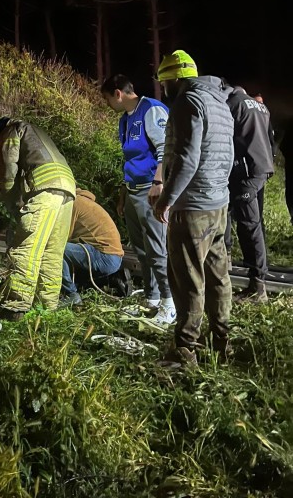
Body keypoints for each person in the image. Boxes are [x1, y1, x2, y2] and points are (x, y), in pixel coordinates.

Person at [152, 50, 234, 365]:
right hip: (219, 204)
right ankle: (221, 343)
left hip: (193, 208)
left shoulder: (188, 102)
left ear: (174, 79)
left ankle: (185, 350)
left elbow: (187, 157)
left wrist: (167, 199)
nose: (164, 90)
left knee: (187, 279)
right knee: (218, 276)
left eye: (165, 83)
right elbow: (226, 154)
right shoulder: (219, 103)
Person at [100, 74, 175, 326]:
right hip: (133, 190)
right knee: (141, 249)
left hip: (150, 190)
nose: (108, 104)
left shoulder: (151, 110)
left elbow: (165, 148)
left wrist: (158, 183)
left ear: (118, 93)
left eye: (108, 99)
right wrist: (123, 196)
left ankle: (170, 303)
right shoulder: (125, 120)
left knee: (157, 248)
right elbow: (129, 159)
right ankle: (152, 298)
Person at [0, 117, 76, 319]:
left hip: (45, 188)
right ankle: (46, 308)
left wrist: (11, 202)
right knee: (52, 253)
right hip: (68, 190)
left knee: (26, 248)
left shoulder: (12, 130)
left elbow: (9, 168)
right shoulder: (36, 132)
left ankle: (16, 306)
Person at [222, 83, 274, 302]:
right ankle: (228, 269)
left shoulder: (232, 105)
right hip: (259, 168)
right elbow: (270, 138)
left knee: (249, 226)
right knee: (243, 219)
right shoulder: (261, 107)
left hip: (245, 172)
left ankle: (258, 287)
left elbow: (224, 138)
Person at [61, 189, 124, 308]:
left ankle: (71, 294)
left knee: (58, 250)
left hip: (105, 257)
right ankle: (75, 288)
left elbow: (63, 236)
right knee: (68, 250)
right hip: (114, 257)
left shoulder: (74, 204)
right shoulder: (85, 202)